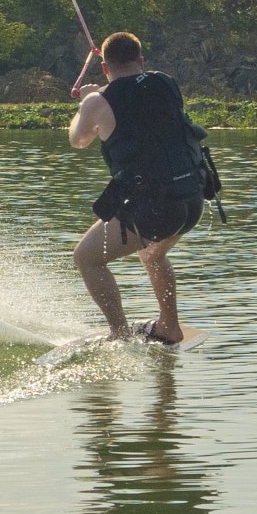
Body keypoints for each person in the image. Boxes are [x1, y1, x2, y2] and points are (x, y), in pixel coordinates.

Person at [69, 31, 205, 344]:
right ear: (141, 61)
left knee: (87, 258)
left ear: (105, 68)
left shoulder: (97, 102)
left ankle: (119, 334)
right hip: (191, 201)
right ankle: (169, 326)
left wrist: (85, 103)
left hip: (154, 211)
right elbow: (134, 95)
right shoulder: (166, 83)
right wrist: (96, 96)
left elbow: (78, 140)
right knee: (152, 255)